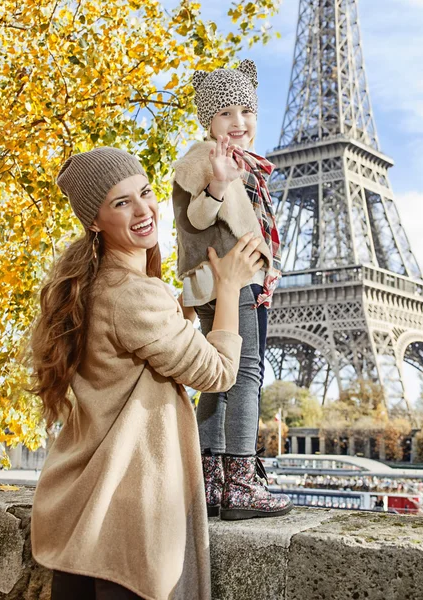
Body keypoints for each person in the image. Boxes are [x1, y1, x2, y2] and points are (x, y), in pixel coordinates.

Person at [30, 147, 264, 600]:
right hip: (126, 525)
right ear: (94, 220)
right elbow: (218, 372)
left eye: (145, 193)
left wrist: (188, 307)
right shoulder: (131, 294)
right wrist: (231, 287)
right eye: (122, 202)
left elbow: (148, 353)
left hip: (85, 516)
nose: (143, 210)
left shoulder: (95, 284)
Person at [172, 59, 293, 521]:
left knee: (218, 378)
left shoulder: (246, 164)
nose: (238, 122)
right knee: (245, 374)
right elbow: (196, 218)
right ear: (208, 120)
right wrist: (220, 185)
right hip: (230, 279)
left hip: (229, 280)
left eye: (246, 110)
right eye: (225, 113)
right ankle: (239, 481)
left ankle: (210, 481)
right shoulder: (207, 160)